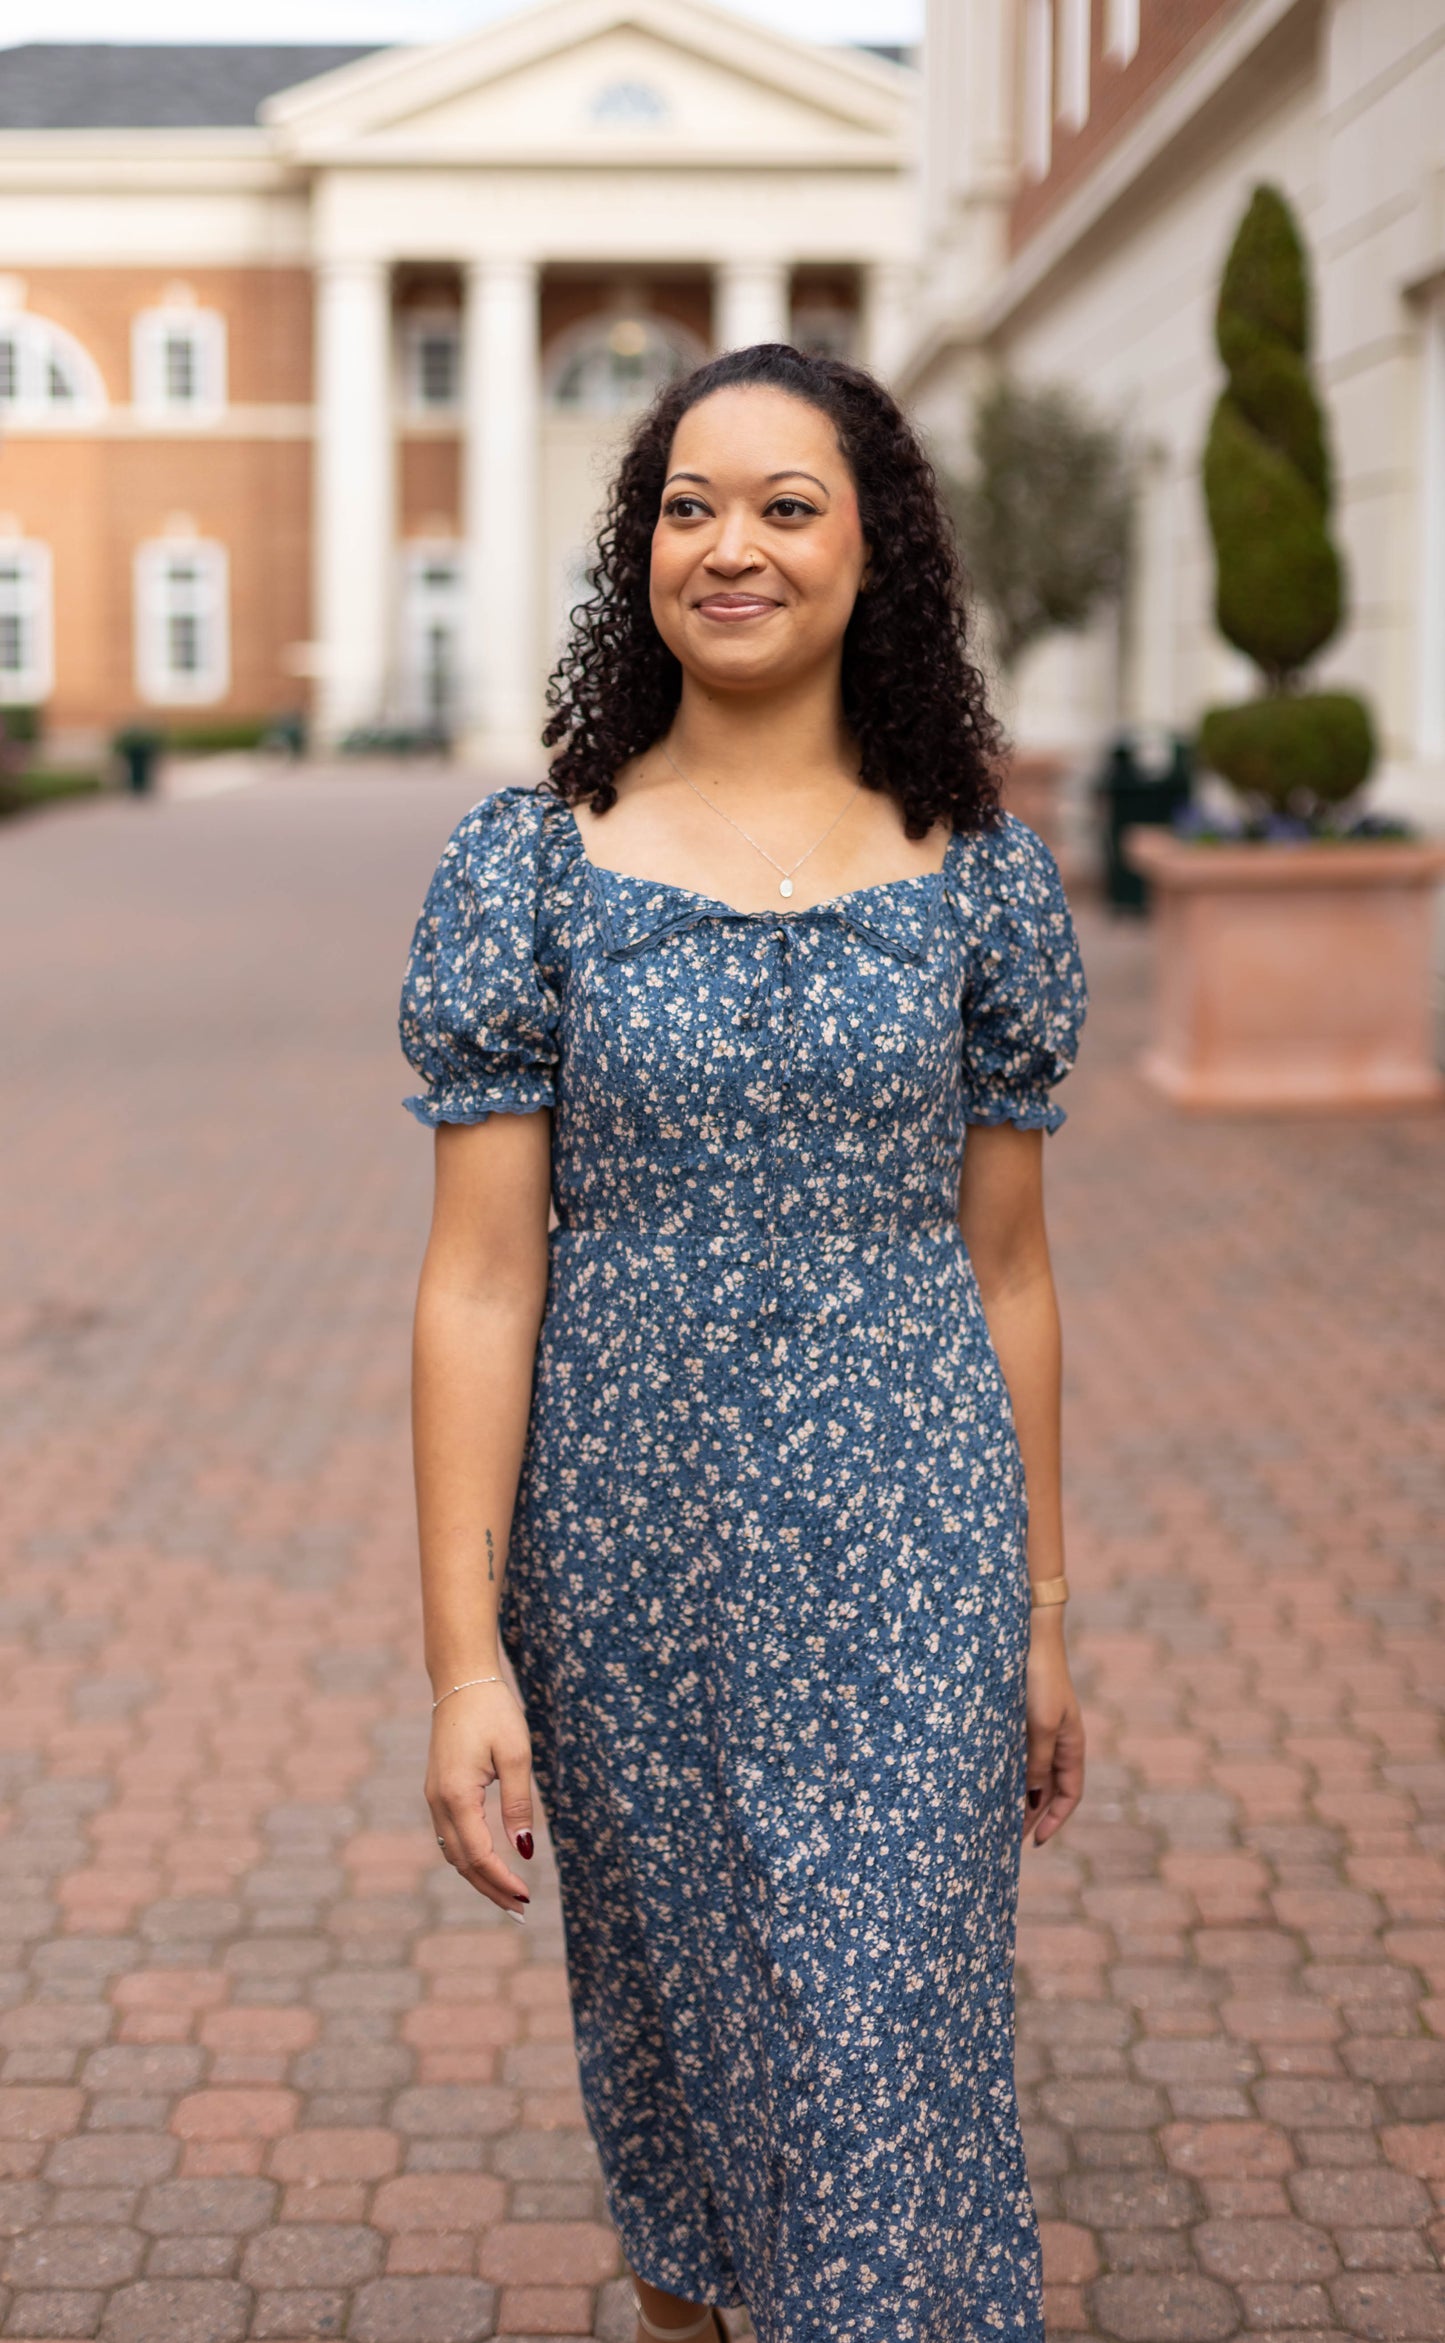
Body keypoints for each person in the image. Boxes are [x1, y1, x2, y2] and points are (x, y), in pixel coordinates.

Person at [400, 342, 1088, 2343]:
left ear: (879, 556)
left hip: (920, 1552)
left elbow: (1017, 1273)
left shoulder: (984, 884)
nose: (734, 545)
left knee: (885, 2047)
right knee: (689, 2045)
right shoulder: (527, 871)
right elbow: (474, 1277)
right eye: (690, 505)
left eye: (788, 505)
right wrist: (463, 1660)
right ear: (642, 556)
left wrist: (1047, 1602)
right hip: (628, 1567)